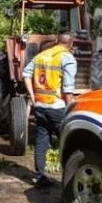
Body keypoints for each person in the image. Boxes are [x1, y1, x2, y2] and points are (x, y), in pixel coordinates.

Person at [23, 32, 77, 188]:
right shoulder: (67, 58)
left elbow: (25, 74)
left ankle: (40, 177)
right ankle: (70, 181)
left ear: (56, 41)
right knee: (69, 143)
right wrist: (70, 110)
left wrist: (33, 98)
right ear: (71, 45)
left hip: (40, 106)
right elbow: (67, 89)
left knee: (41, 142)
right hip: (57, 107)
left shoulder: (41, 56)